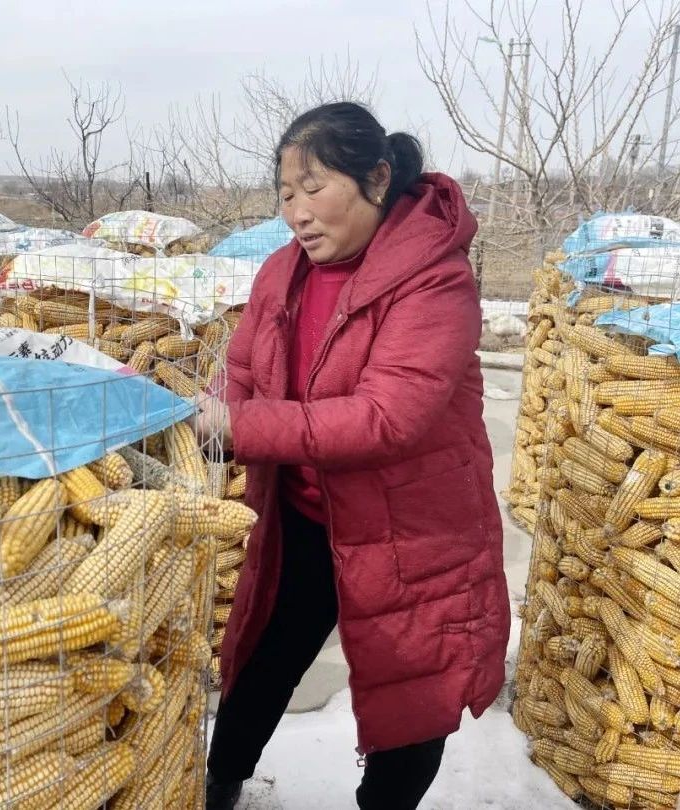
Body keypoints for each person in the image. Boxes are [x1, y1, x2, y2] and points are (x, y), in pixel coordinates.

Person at [195, 101, 511, 810]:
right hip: (306, 515)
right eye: (284, 194)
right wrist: (204, 415)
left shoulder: (434, 279)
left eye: (314, 188)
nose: (297, 212)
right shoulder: (281, 272)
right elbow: (243, 369)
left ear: (375, 177)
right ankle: (218, 786)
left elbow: (384, 418)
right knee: (262, 659)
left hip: (412, 532)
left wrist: (237, 425)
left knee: (410, 693)